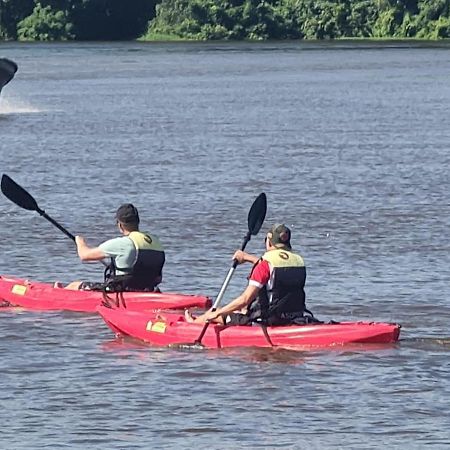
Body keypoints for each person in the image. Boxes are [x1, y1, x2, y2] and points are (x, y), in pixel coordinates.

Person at [186, 223, 311, 326]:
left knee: (216, 313)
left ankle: (192, 324)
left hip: (269, 321)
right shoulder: (298, 260)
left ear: (269, 242)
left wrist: (217, 313)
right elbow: (274, 270)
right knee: (239, 310)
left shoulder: (265, 264)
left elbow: (245, 299)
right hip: (295, 317)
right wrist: (247, 257)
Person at [60, 203, 165, 291]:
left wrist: (80, 242)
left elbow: (84, 255)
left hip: (123, 290)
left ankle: (58, 292)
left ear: (119, 225)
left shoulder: (121, 243)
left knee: (75, 285)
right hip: (148, 289)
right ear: (138, 222)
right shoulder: (155, 241)